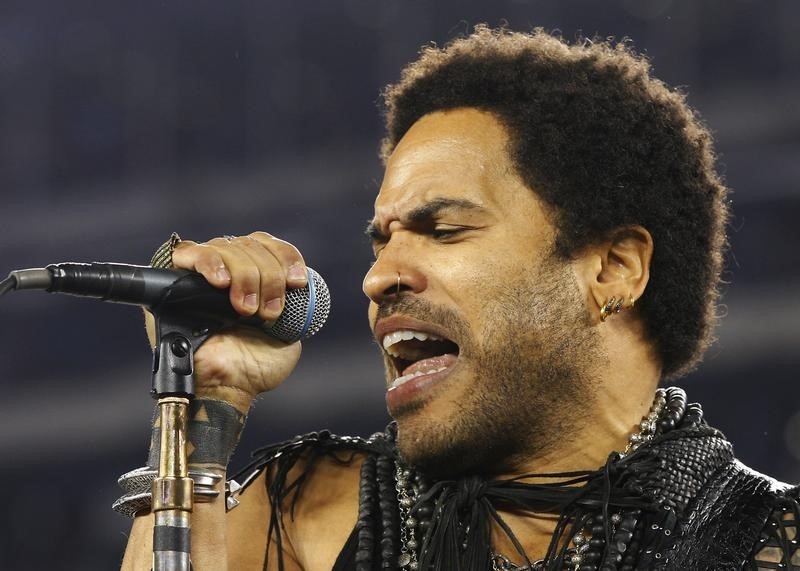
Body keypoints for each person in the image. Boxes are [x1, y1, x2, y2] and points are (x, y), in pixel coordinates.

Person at [119, 26, 798, 570]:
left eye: (443, 229)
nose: (378, 276)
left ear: (613, 269)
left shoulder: (765, 540)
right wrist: (203, 411)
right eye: (381, 241)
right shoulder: (311, 514)